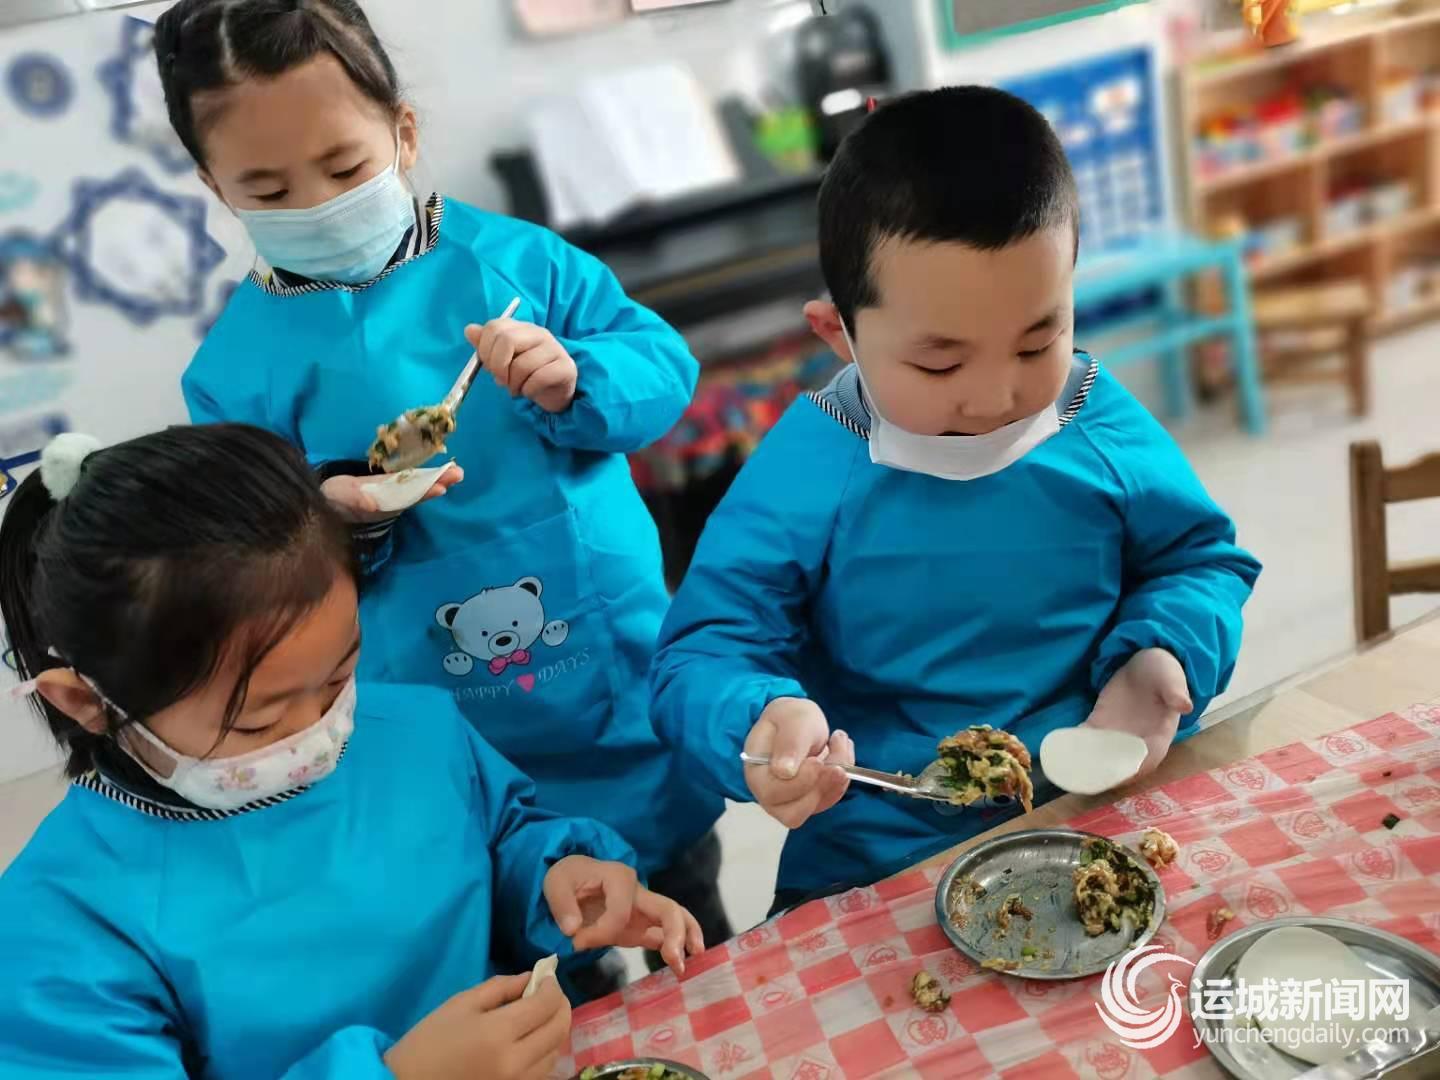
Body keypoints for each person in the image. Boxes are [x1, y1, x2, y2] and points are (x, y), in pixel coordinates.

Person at [153, 0, 728, 971]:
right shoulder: (235, 369)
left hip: (605, 654)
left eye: (344, 169)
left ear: (404, 133)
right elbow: (249, 556)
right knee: (538, 938)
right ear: (216, 186)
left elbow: (663, 367)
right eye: (268, 188)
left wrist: (578, 379)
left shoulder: (518, 265)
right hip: (437, 700)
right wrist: (326, 519)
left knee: (688, 911)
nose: (315, 205)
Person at [651, 87, 1263, 911]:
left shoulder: (1095, 422)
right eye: (939, 364)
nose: (995, 397)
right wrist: (758, 724)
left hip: (1102, 800)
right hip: (881, 842)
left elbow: (1199, 562)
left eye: (1038, 342)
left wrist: (1165, 653)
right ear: (839, 334)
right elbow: (702, 653)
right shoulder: (813, 466)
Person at [0, 426, 702, 1080]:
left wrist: (555, 877)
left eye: (339, 677)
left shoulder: (412, 727)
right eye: (258, 721)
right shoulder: (63, 923)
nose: (320, 734)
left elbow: (499, 837)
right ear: (85, 702)